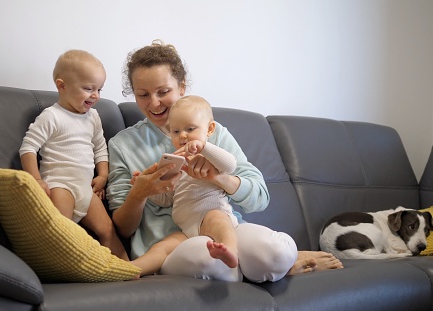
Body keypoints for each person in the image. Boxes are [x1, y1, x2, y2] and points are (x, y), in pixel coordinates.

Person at [107, 40, 343, 282]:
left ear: (181, 87)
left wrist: (219, 178)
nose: (154, 103)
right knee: (213, 262)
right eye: (143, 95)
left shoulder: (213, 132)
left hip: (223, 226)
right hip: (172, 245)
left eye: (163, 92)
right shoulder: (122, 145)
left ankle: (274, 262)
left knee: (276, 252)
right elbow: (123, 228)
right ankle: (260, 268)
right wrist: (140, 193)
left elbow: (259, 197)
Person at [20, 49, 130, 262]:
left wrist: (104, 175)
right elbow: (28, 148)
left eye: (99, 89)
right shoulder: (52, 116)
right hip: (60, 186)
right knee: (63, 228)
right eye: (88, 88)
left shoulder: (93, 117)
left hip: (86, 190)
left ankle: (129, 268)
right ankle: (64, 266)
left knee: (107, 229)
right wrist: (36, 180)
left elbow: (100, 148)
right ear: (62, 86)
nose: (95, 95)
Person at [132, 95, 244, 269]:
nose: (183, 135)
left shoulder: (211, 158)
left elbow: (230, 165)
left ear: (209, 129)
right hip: (186, 228)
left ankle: (230, 250)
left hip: (212, 213)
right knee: (162, 247)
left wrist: (204, 147)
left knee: (218, 222)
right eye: (175, 131)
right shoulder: (176, 162)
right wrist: (145, 188)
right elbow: (168, 198)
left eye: (190, 129)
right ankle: (132, 269)